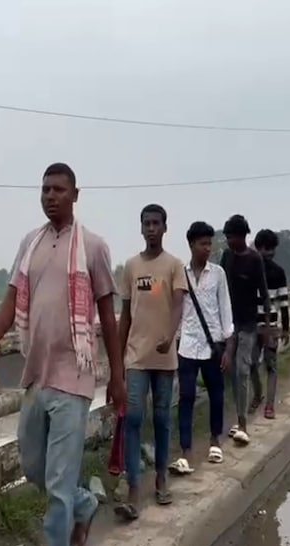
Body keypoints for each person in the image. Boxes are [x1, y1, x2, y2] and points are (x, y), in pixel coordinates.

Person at [0, 163, 125, 546]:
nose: (50, 196)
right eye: (45, 189)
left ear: (75, 195)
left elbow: (107, 316)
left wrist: (117, 376)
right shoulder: (29, 244)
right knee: (35, 467)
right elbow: (10, 304)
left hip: (75, 378)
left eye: (59, 190)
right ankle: (84, 505)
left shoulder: (93, 247)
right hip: (37, 375)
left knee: (57, 489)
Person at [115, 203, 186, 521]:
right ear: (141, 228)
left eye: (157, 223)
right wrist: (117, 362)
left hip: (165, 358)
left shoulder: (174, 265)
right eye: (147, 223)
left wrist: (170, 337)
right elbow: (125, 316)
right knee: (132, 418)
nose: (152, 228)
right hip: (136, 358)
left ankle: (160, 478)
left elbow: (178, 307)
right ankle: (133, 486)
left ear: (165, 227)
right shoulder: (131, 267)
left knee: (161, 419)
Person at [169, 221, 234, 474]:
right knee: (185, 397)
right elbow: (175, 310)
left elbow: (225, 310)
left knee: (216, 393)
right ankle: (185, 451)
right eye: (202, 243)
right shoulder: (180, 274)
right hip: (187, 345)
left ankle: (215, 441)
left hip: (212, 346)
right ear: (191, 245)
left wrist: (228, 348)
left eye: (210, 243)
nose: (207, 248)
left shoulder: (218, 274)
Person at [220, 215, 271, 445]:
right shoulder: (226, 257)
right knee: (230, 371)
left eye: (231, 237)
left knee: (242, 369)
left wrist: (267, 327)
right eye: (227, 237)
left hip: (249, 324)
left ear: (242, 236)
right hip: (228, 323)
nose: (229, 241)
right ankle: (238, 412)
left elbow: (264, 293)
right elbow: (219, 288)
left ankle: (242, 423)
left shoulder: (254, 260)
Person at [251, 229, 290, 419]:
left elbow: (283, 302)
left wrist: (286, 327)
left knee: (271, 366)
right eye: (267, 249)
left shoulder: (278, 272)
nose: (269, 253)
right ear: (259, 248)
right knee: (250, 364)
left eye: (272, 249)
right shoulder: (249, 269)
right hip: (251, 325)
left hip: (271, 325)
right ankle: (258, 394)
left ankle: (269, 405)